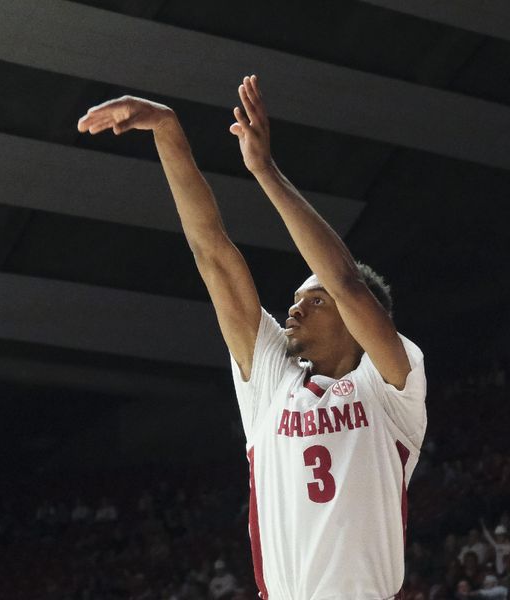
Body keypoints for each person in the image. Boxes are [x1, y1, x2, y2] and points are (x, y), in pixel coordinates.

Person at [77, 74, 427, 599]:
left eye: (315, 300)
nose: (294, 307)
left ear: (358, 320)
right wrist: (168, 130)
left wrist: (263, 170)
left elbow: (347, 281)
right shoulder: (272, 382)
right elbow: (212, 252)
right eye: (297, 298)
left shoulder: (392, 388)